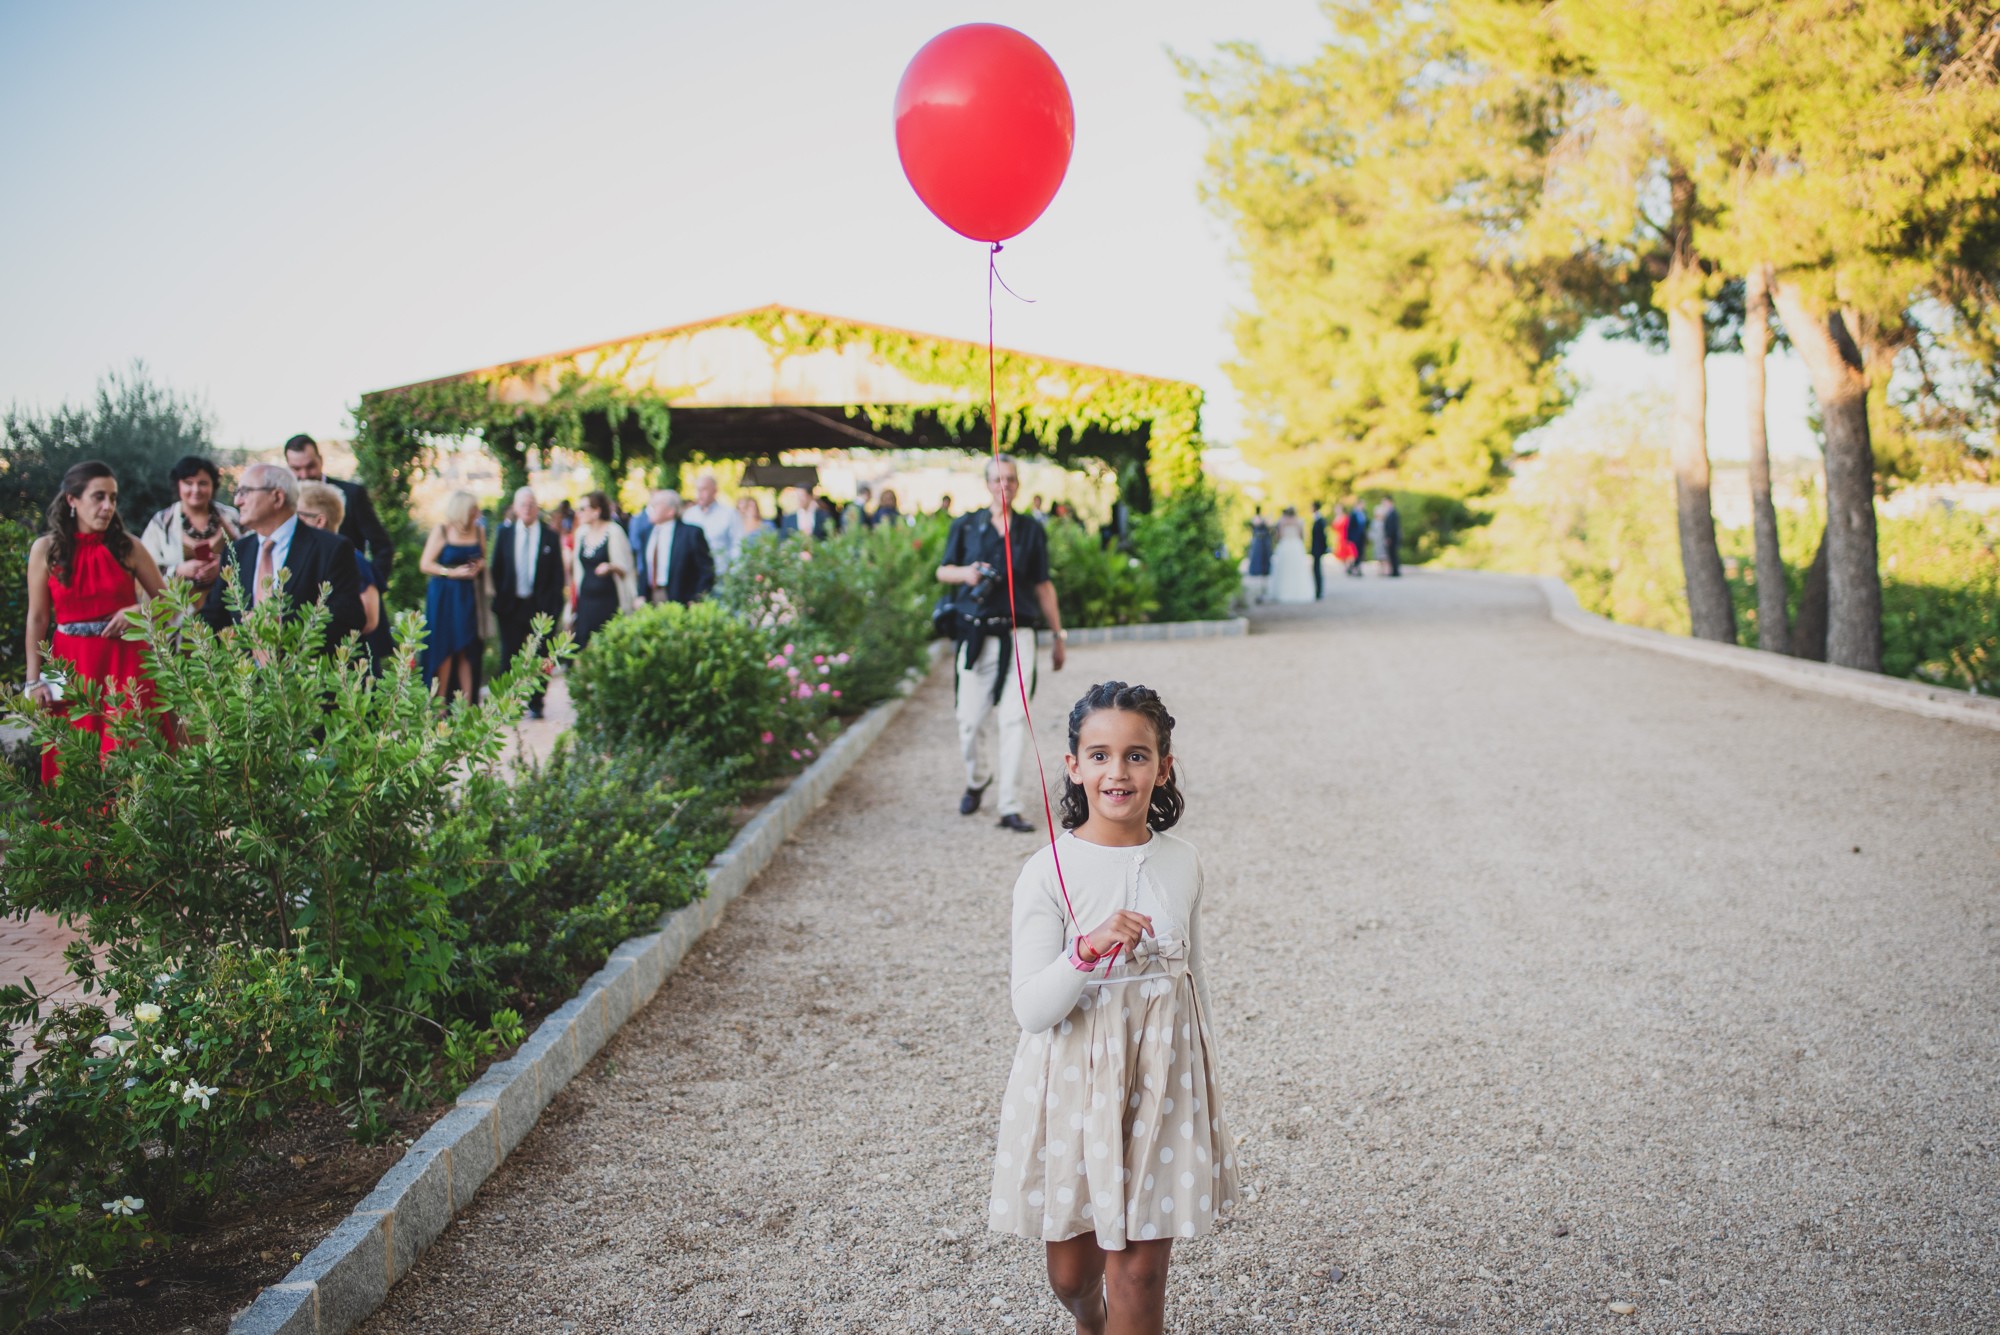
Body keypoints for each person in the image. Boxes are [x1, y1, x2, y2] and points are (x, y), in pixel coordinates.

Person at [990, 681, 1238, 1333]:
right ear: (1072, 765)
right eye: (1099, 755)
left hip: (1164, 1083)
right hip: (1074, 1085)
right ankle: (1087, 1317)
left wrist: (1206, 1087)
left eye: (1136, 754)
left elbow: (1193, 978)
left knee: (1140, 1270)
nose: (1117, 771)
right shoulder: (1047, 870)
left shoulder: (1183, 862)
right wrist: (1084, 950)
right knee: (1072, 1275)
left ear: (1163, 766)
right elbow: (1032, 1010)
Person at [936, 454, 1067, 833]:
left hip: (1018, 634)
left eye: (1010, 479)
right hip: (976, 635)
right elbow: (943, 570)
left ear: (1018, 484)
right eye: (997, 479)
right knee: (968, 722)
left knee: (1014, 719)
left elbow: (1043, 584)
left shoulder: (1029, 530)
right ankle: (978, 780)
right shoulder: (966, 526)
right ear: (987, 484)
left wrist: (1058, 636)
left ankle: (1009, 805)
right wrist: (968, 574)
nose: (1003, 485)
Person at [24, 461, 168, 783]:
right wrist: (33, 682)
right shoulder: (45, 550)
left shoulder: (127, 546)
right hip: (69, 665)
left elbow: (168, 601)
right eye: (98, 497)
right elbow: (37, 617)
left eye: (113, 498)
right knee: (73, 760)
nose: (108, 506)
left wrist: (136, 612)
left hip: (126, 663)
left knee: (129, 755)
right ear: (72, 500)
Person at [201, 463, 365, 651]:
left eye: (245, 492)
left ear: (277, 497)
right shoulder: (238, 551)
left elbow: (351, 616)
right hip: (246, 676)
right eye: (237, 493)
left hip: (305, 673)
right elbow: (214, 616)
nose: (238, 501)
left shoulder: (331, 548)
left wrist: (279, 625)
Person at [490, 486, 569, 718]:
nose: (527, 508)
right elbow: (497, 569)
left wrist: (554, 607)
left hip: (540, 607)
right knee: (509, 656)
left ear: (537, 507)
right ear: (515, 508)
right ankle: (507, 704)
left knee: (541, 657)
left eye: (531, 504)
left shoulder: (550, 536)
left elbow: (557, 575)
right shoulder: (504, 534)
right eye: (523, 504)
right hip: (511, 606)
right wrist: (499, 601)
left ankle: (537, 702)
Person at [283, 434, 396, 584]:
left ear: (320, 460)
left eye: (310, 466)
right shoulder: (284, 502)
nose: (304, 475)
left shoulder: (352, 494)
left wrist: (371, 585)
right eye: (296, 469)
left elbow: (382, 546)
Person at [295, 483, 387, 667]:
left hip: (349, 661)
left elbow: (370, 620)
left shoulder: (353, 560)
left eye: (298, 517)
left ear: (319, 521)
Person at [419, 490, 490, 704]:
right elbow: (425, 564)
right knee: (444, 647)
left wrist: (477, 567)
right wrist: (450, 572)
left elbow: (483, 558)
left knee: (466, 648)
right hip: (444, 595)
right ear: (462, 511)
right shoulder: (442, 530)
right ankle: (439, 704)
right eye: (473, 510)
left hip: (468, 595)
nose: (477, 513)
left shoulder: (479, 531)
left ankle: (467, 704)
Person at [139, 455, 241, 594]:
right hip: (179, 610)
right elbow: (144, 566)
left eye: (203, 483)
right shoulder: (162, 522)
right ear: (178, 485)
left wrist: (223, 566)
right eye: (188, 483)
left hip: (230, 606)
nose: (196, 490)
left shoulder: (232, 517)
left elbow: (252, 555)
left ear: (213, 485)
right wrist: (178, 570)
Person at [568, 490, 634, 652]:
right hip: (586, 599)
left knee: (608, 644)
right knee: (583, 644)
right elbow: (577, 569)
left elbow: (626, 567)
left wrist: (611, 567)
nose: (579, 513)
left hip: (608, 599)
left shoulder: (613, 531)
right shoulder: (581, 533)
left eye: (583, 509)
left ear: (597, 511)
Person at [629, 489, 715, 605]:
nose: (651, 508)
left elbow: (706, 569)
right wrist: (641, 594)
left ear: (671, 511)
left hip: (681, 598)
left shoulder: (691, 533)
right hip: (652, 597)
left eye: (656, 505)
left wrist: (697, 598)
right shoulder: (647, 533)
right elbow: (646, 568)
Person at [684, 472, 744, 576]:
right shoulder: (689, 515)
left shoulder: (729, 514)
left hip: (720, 575)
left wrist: (733, 572)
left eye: (704, 489)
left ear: (715, 491)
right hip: (694, 577)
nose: (699, 494)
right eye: (697, 489)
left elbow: (738, 544)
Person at [1266, 505, 1315, 603]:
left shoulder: (1282, 522)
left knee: (1285, 570)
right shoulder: (1299, 521)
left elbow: (1279, 536)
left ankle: (1284, 592)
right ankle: (1299, 592)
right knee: (1298, 570)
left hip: (1285, 546)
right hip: (1296, 546)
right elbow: (1302, 536)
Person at [1244, 507, 1273, 603]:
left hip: (1264, 543)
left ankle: (1264, 573)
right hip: (1258, 542)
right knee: (1257, 560)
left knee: (1264, 561)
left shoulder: (1264, 518)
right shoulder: (1255, 519)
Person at [1375, 495, 1402, 576]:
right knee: (1391, 554)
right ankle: (1393, 571)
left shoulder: (1393, 513)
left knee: (1393, 554)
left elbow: (1393, 527)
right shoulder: (1388, 512)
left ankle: (1395, 571)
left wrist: (1389, 537)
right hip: (1390, 537)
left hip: (1392, 537)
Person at [1308, 500, 1330, 600]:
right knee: (1316, 569)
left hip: (1318, 549)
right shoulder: (1317, 519)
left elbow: (1322, 536)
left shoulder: (1320, 520)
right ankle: (1318, 590)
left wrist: (1324, 548)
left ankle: (1319, 591)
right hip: (1316, 548)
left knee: (1317, 569)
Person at [1346, 498, 1371, 577]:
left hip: (1361, 536)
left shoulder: (1364, 513)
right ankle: (1353, 567)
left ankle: (1357, 567)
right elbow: (1350, 526)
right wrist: (1349, 538)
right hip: (1354, 537)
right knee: (1354, 553)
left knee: (1360, 553)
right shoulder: (1353, 514)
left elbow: (1366, 524)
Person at [1332, 502, 1354, 574]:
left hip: (1345, 536)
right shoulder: (1336, 518)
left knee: (1349, 553)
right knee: (1341, 554)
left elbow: (1348, 528)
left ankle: (1349, 566)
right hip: (1339, 537)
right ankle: (1346, 567)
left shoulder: (1345, 517)